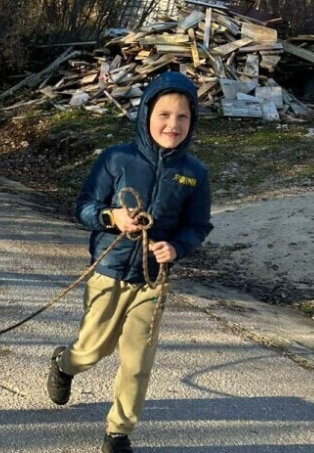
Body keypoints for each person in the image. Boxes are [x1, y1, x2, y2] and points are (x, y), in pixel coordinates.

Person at [46, 71, 213, 453]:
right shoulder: (116, 158)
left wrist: (177, 248)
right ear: (146, 114)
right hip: (108, 274)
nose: (173, 125)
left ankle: (118, 432)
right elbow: (84, 207)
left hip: (153, 282)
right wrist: (112, 218)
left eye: (183, 117)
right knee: (90, 351)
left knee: (137, 362)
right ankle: (63, 363)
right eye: (164, 115)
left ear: (193, 121)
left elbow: (198, 226)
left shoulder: (194, 175)